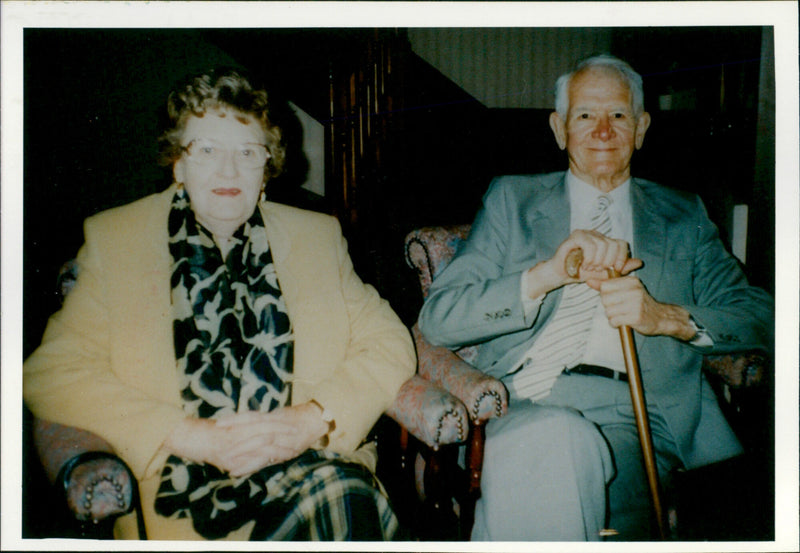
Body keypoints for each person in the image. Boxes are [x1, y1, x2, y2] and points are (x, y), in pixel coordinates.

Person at [24, 68, 416, 541]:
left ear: (265, 169)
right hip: (181, 498)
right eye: (207, 150)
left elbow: (389, 342)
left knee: (338, 489)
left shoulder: (317, 237)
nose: (229, 171)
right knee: (344, 497)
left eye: (247, 153)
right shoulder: (116, 240)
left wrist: (313, 418)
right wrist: (189, 435)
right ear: (178, 165)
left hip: (310, 465)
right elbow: (55, 371)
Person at [418, 54, 773, 540]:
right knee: (549, 445)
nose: (603, 130)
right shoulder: (511, 201)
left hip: (638, 414)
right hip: (520, 404)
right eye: (585, 115)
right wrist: (544, 275)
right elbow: (439, 318)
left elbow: (765, 317)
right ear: (559, 128)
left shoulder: (683, 216)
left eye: (619, 116)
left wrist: (666, 317)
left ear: (642, 127)